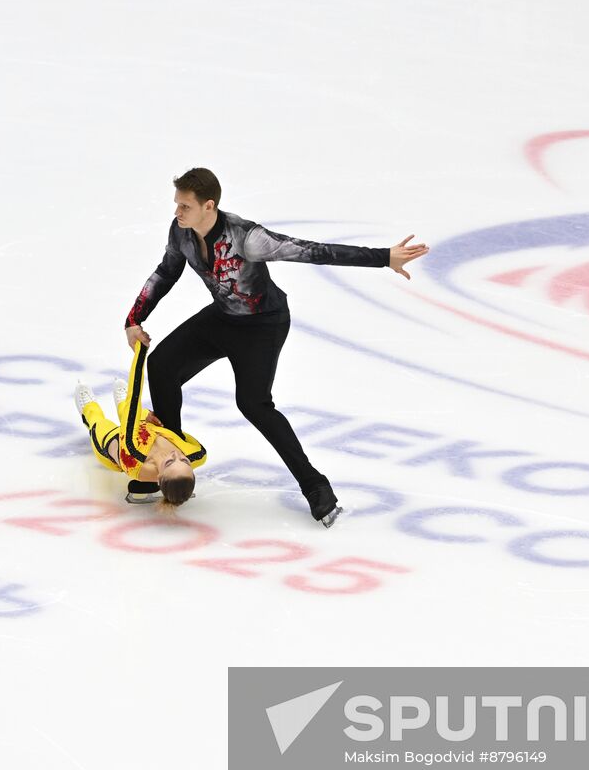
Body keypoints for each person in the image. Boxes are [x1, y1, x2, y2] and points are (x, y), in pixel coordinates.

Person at [124, 167, 429, 527]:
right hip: (223, 318)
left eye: (185, 206)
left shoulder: (247, 238)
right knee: (162, 366)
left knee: (253, 403)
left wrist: (382, 256)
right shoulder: (182, 232)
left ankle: (317, 489)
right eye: (176, 205)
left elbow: (312, 252)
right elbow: (166, 272)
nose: (177, 213)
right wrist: (134, 318)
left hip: (262, 326)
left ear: (209, 206)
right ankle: (173, 464)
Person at [74, 338, 208, 510]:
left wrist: (140, 351)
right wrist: (159, 429)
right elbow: (183, 438)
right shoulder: (198, 454)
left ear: (158, 479)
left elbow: (134, 399)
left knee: (99, 421)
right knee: (141, 415)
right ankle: (122, 405)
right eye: (184, 461)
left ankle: (89, 408)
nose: (176, 454)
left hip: (115, 442)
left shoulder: (136, 455)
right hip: (146, 430)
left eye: (169, 462)